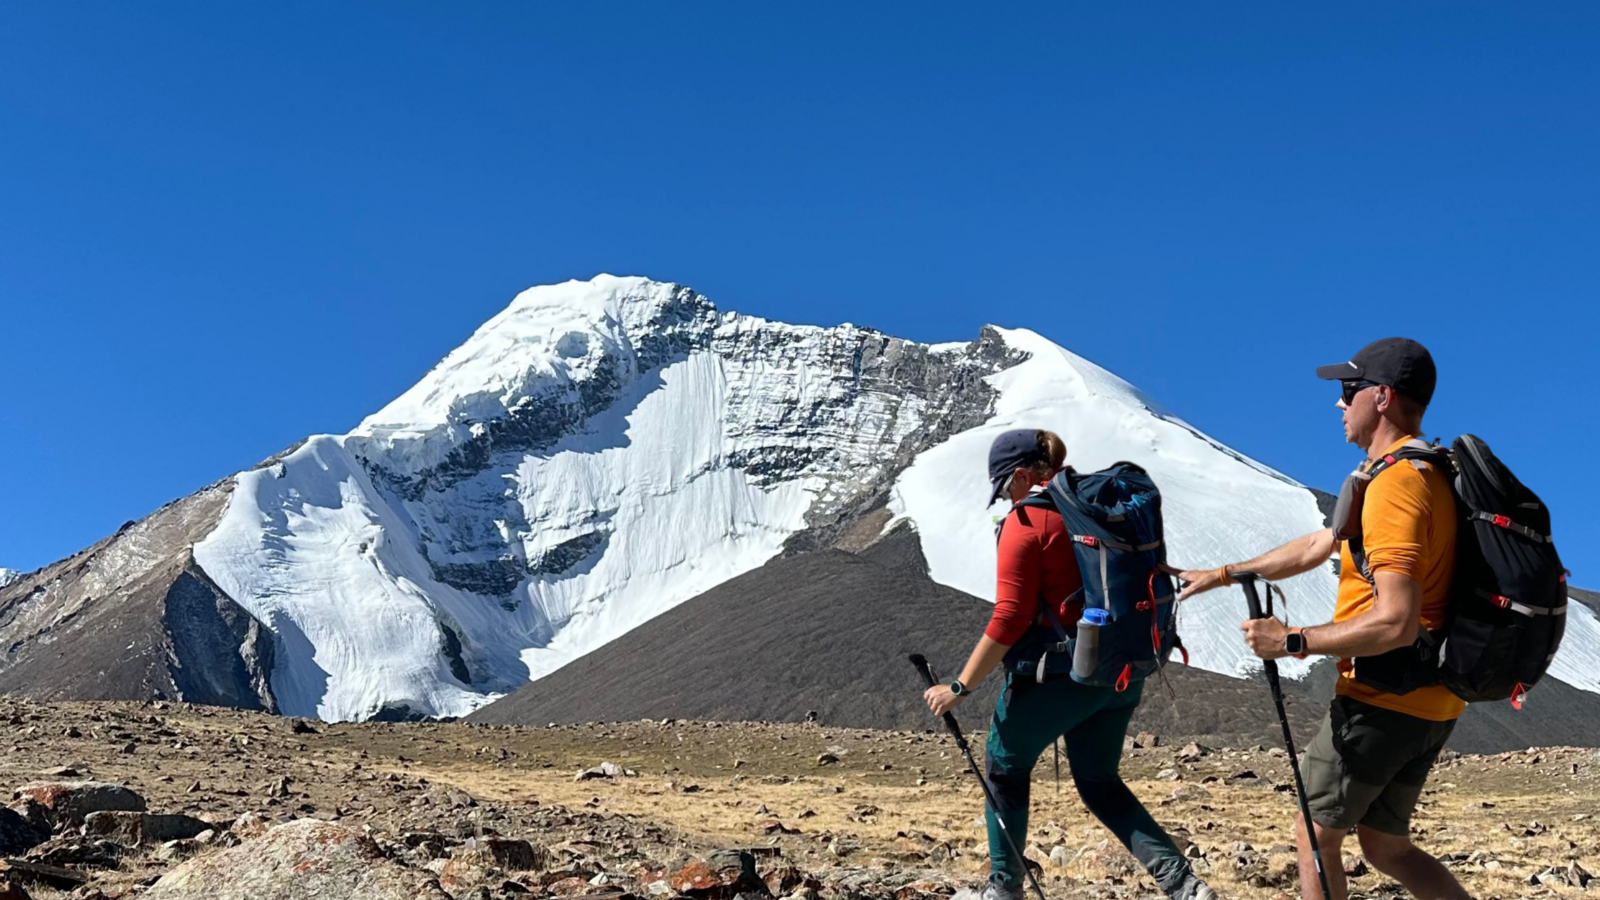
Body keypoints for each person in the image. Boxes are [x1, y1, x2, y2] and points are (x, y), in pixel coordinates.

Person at [1174, 337, 1472, 900]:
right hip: (1430, 698)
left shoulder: (1398, 487)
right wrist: (1221, 573)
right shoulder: (1415, 471)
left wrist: (1289, 640)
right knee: (1387, 847)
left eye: (1348, 390)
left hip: (1384, 699)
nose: (1339, 404)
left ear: (1380, 397)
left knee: (1314, 834)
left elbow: (1396, 622)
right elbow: (1320, 544)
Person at [926, 428, 1217, 900]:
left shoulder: (1029, 523)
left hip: (1059, 677)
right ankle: (1184, 885)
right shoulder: (1096, 508)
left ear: (1022, 476)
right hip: (1122, 672)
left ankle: (1003, 888)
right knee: (1099, 780)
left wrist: (959, 687)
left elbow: (1009, 616)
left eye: (1004, 488)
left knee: (1004, 763)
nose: (1005, 499)